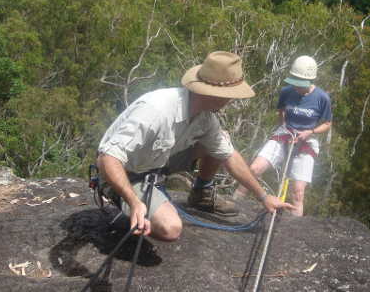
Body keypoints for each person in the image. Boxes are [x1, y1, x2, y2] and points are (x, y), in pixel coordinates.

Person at [97, 51, 295, 241]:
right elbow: (108, 157)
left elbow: (228, 155)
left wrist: (263, 196)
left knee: (220, 139)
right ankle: (119, 195)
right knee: (170, 228)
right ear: (215, 94)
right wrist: (134, 202)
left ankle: (201, 193)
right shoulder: (156, 110)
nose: (232, 99)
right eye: (230, 94)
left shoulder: (205, 116)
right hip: (128, 173)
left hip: (158, 162)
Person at [234, 56, 332, 216]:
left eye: (300, 84)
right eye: (295, 82)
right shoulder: (287, 91)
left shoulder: (322, 98)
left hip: (307, 138)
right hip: (285, 133)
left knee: (298, 191)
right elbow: (281, 111)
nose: (297, 87)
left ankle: (294, 228)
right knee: (254, 168)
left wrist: (310, 132)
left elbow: (327, 123)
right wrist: (284, 127)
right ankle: (235, 201)